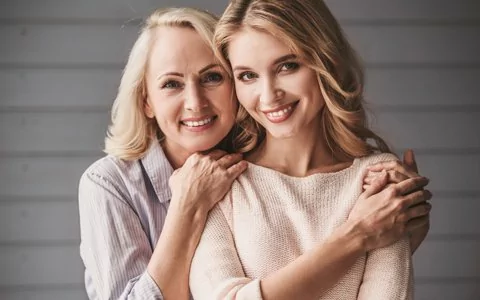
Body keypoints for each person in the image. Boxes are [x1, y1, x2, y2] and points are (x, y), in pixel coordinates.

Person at [78, 6, 430, 300]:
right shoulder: (118, 184)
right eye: (171, 83)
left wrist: (402, 232)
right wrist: (357, 236)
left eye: (213, 77)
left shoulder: (232, 168)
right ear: (146, 102)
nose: (195, 102)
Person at [189, 1, 431, 299]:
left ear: (325, 61)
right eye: (247, 76)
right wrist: (356, 235)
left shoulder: (379, 178)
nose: (269, 96)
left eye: (287, 66)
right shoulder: (221, 181)